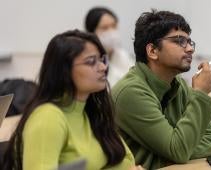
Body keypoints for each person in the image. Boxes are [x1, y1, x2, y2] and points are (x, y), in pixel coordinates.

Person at [1, 30, 143, 170]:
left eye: (101, 59)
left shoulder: (92, 109)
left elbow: (127, 159)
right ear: (64, 70)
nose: (103, 67)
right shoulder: (48, 117)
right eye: (91, 61)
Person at [111, 10, 211, 169]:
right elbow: (178, 150)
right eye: (179, 41)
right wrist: (200, 94)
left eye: (189, 41)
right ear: (152, 51)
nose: (190, 49)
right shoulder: (131, 92)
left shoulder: (179, 84)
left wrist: (170, 155)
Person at [85, 7, 134, 86]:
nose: (111, 32)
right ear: (91, 33)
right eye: (104, 28)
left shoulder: (125, 56)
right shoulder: (87, 62)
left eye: (114, 26)